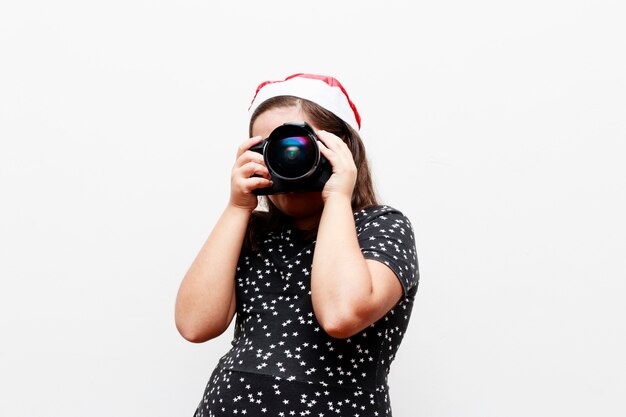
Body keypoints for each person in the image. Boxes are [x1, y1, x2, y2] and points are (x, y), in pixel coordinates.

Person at [175, 73, 419, 417]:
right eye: (270, 150)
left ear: (342, 151)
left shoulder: (381, 227)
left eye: (300, 148)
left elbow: (341, 315)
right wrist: (237, 207)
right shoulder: (250, 229)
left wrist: (337, 194)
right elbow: (195, 325)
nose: (286, 161)